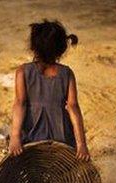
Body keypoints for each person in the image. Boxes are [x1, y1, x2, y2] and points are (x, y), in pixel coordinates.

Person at [9, 19, 90, 161]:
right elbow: (73, 107)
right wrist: (81, 144)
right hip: (62, 139)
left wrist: (15, 138)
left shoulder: (23, 72)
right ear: (61, 49)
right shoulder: (67, 73)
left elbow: (19, 104)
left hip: (32, 138)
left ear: (33, 47)